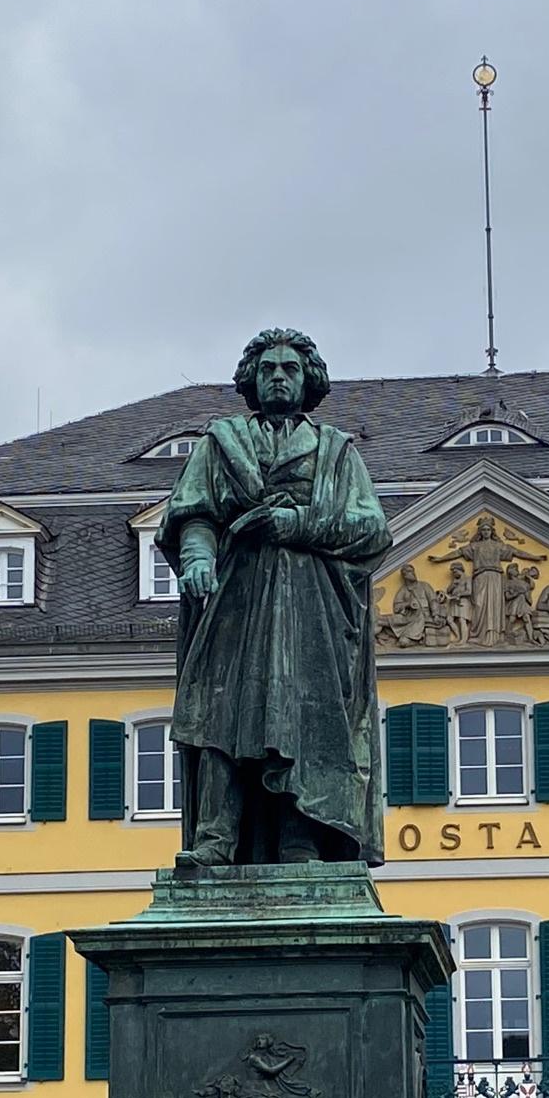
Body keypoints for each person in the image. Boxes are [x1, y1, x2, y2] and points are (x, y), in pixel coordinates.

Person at [161, 327, 391, 869]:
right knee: (219, 715)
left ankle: (301, 840)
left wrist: (296, 522)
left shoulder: (336, 452)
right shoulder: (222, 444)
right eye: (268, 369)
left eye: (289, 369)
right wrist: (196, 559)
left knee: (305, 722)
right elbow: (194, 512)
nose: (279, 378)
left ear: (307, 379)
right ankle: (216, 840)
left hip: (314, 613)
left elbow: (373, 530)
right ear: (251, 380)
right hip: (234, 602)